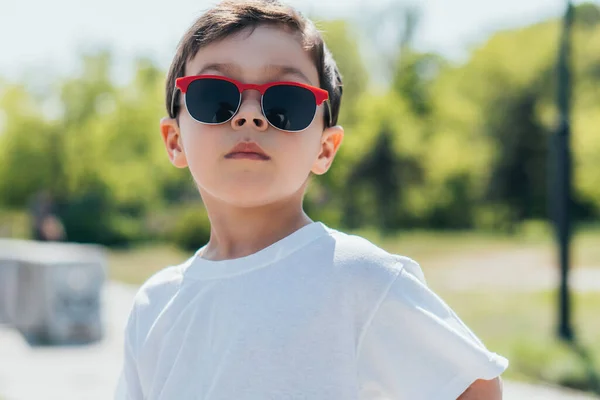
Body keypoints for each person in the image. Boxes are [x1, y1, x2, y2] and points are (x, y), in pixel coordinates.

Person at [116, 1, 508, 398]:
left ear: (325, 148)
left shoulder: (358, 277)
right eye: (215, 96)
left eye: (286, 102)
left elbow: (474, 385)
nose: (250, 116)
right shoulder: (154, 304)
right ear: (174, 140)